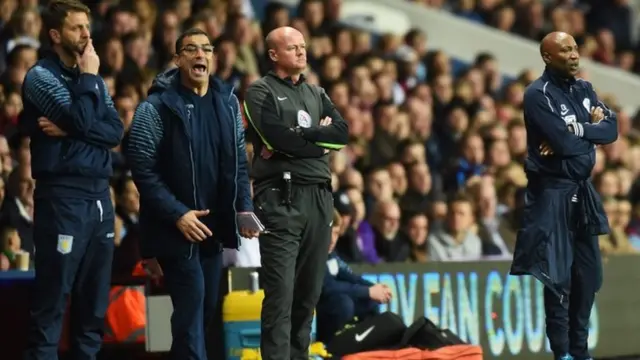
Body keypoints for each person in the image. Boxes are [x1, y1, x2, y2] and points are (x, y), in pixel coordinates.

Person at [126, 28, 256, 359]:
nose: (200, 55)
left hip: (213, 228)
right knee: (191, 307)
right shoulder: (155, 107)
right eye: (191, 49)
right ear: (177, 59)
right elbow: (143, 170)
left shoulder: (228, 104)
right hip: (174, 228)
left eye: (206, 49)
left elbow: (239, 164)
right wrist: (178, 214)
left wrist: (243, 208)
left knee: (205, 309)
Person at [19, 0, 124, 358]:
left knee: (92, 312)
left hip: (100, 199)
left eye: (86, 26)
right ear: (55, 34)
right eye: (77, 27)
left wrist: (71, 128)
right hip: (62, 198)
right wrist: (91, 81)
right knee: (51, 308)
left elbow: (114, 131)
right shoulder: (40, 77)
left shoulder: (87, 76)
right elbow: (84, 121)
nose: (86, 34)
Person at [510, 31, 617, 360]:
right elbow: (564, 144)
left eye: (575, 48)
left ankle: (580, 351)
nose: (574, 55)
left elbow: (611, 131)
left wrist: (578, 128)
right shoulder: (537, 94)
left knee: (588, 278)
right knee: (558, 280)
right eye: (565, 50)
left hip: (582, 192)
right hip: (551, 193)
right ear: (547, 57)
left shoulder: (585, 89)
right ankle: (563, 354)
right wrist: (587, 130)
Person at [243, 26, 349, 360]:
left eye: (303, 47)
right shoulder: (260, 91)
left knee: (308, 295)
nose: (302, 52)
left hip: (319, 199)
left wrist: (302, 134)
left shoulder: (317, 93)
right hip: (280, 198)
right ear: (274, 54)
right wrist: (318, 140)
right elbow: (276, 138)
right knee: (280, 295)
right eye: (293, 48)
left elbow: (343, 134)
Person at [316, 209, 391, 343]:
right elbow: (328, 287)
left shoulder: (331, 254)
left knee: (370, 302)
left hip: (326, 302)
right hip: (313, 310)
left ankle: (368, 344)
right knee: (344, 303)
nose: (333, 239)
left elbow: (349, 276)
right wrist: (368, 291)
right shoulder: (311, 255)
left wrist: (374, 288)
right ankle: (328, 345)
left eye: (336, 233)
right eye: (329, 233)